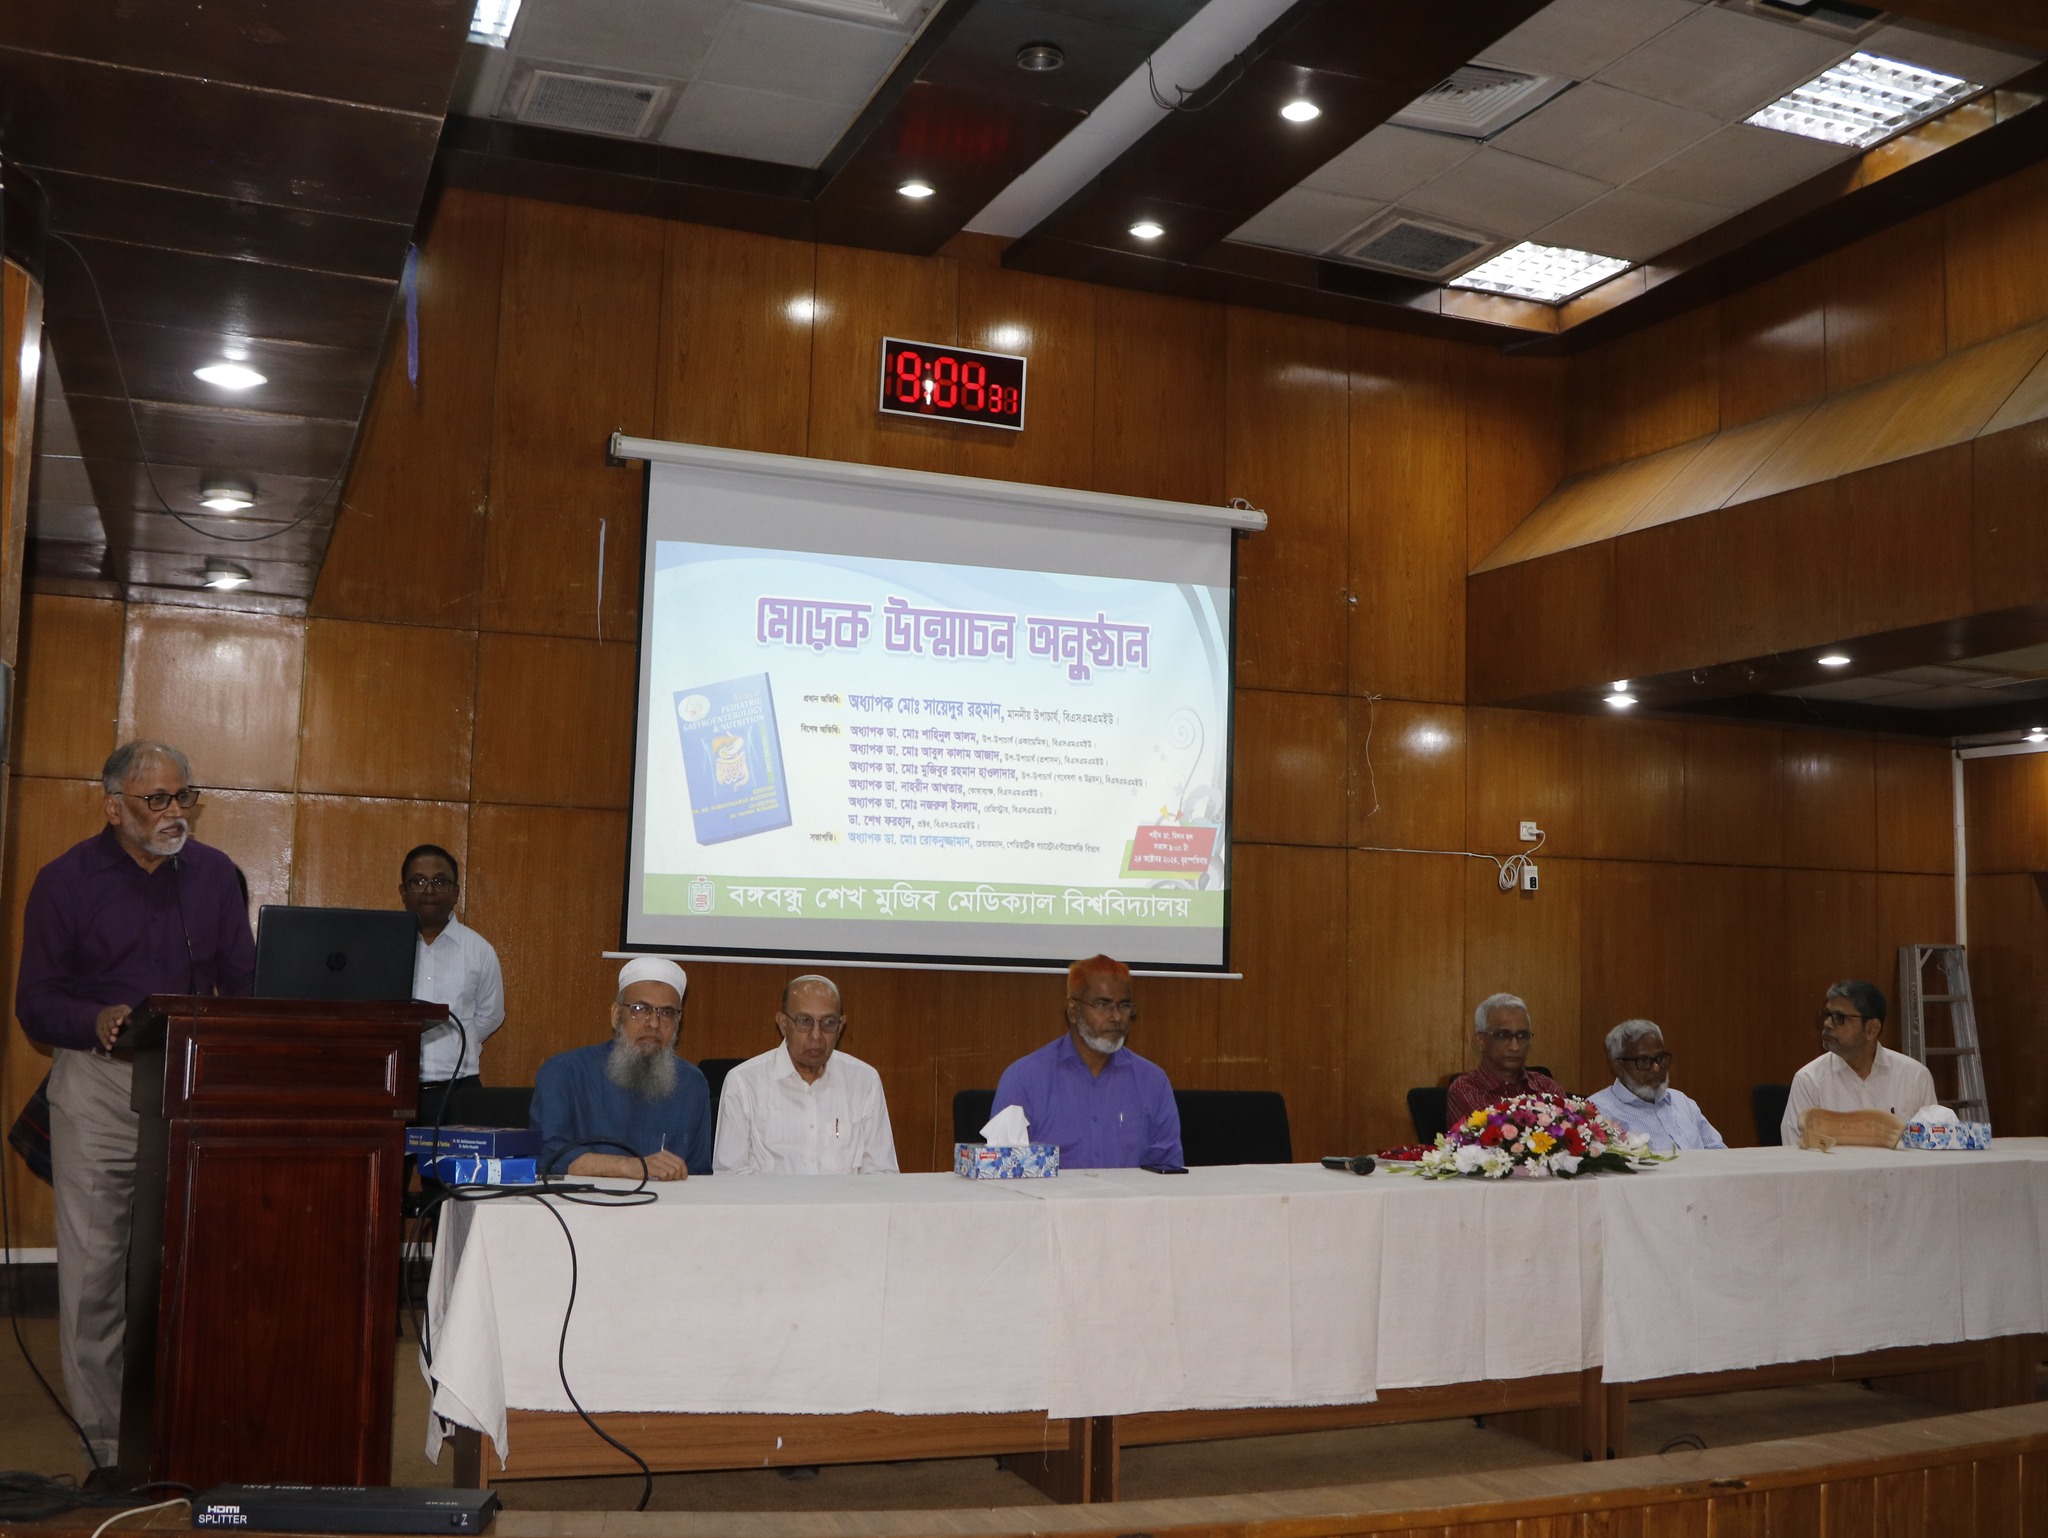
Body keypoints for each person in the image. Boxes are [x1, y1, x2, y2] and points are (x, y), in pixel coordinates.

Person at [14, 741, 255, 1474]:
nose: (175, 812)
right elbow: (35, 1004)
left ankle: (187, 1420)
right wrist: (94, 1018)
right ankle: (110, 1443)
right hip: (99, 1086)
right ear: (113, 806)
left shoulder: (215, 876)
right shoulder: (65, 882)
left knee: (188, 1265)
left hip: (189, 1089)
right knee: (96, 1273)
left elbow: (242, 987)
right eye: (158, 800)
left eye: (185, 796)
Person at [991, 954, 1181, 1169]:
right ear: (1073, 1010)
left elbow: (1168, 1171)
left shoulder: (1152, 1081)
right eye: (1103, 1004)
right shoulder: (1024, 1080)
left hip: (1129, 1202)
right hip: (1053, 1202)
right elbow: (1004, 1174)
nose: (1117, 1017)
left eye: (1124, 1005)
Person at [529, 957, 710, 1179]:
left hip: (664, 1211)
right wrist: (628, 1167)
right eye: (639, 1009)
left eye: (667, 1013)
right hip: (582, 1208)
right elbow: (546, 1155)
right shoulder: (563, 1073)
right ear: (616, 1015)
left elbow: (699, 1173)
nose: (653, 1023)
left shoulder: (692, 1083)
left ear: (678, 1022)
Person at [713, 974, 897, 1175]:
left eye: (828, 1023)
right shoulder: (744, 1082)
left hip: (842, 1205)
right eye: (804, 1021)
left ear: (841, 1026)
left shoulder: (864, 1080)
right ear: (783, 1023)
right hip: (771, 1205)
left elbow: (881, 1174)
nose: (816, 1035)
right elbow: (729, 1176)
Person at [402, 844, 504, 1124]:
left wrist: (457, 1040)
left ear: (456, 892)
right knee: (388, 1169)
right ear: (403, 891)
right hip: (394, 1087)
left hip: (458, 1091)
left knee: (450, 1170)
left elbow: (491, 1015)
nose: (430, 890)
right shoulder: (383, 948)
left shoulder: (479, 950)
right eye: (419, 881)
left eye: (440, 881)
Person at [1781, 980, 1936, 1146]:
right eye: (1827, 1015)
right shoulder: (1809, 1080)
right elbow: (1795, 1153)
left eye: (1840, 1017)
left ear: (1872, 1029)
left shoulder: (1915, 1076)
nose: (1827, 1024)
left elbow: (1932, 1145)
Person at [1588, 1019, 1726, 1151]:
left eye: (1660, 1058)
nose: (1656, 1068)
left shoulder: (1682, 1101)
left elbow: (1720, 1152)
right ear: (1618, 1066)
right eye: (1643, 1060)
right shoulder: (1597, 1111)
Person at [1445, 993, 1567, 1125]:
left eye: (1522, 1035)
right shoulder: (1466, 1089)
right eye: (1503, 1035)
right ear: (1480, 1041)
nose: (1515, 1047)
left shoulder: (1546, 1086)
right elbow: (1493, 1139)